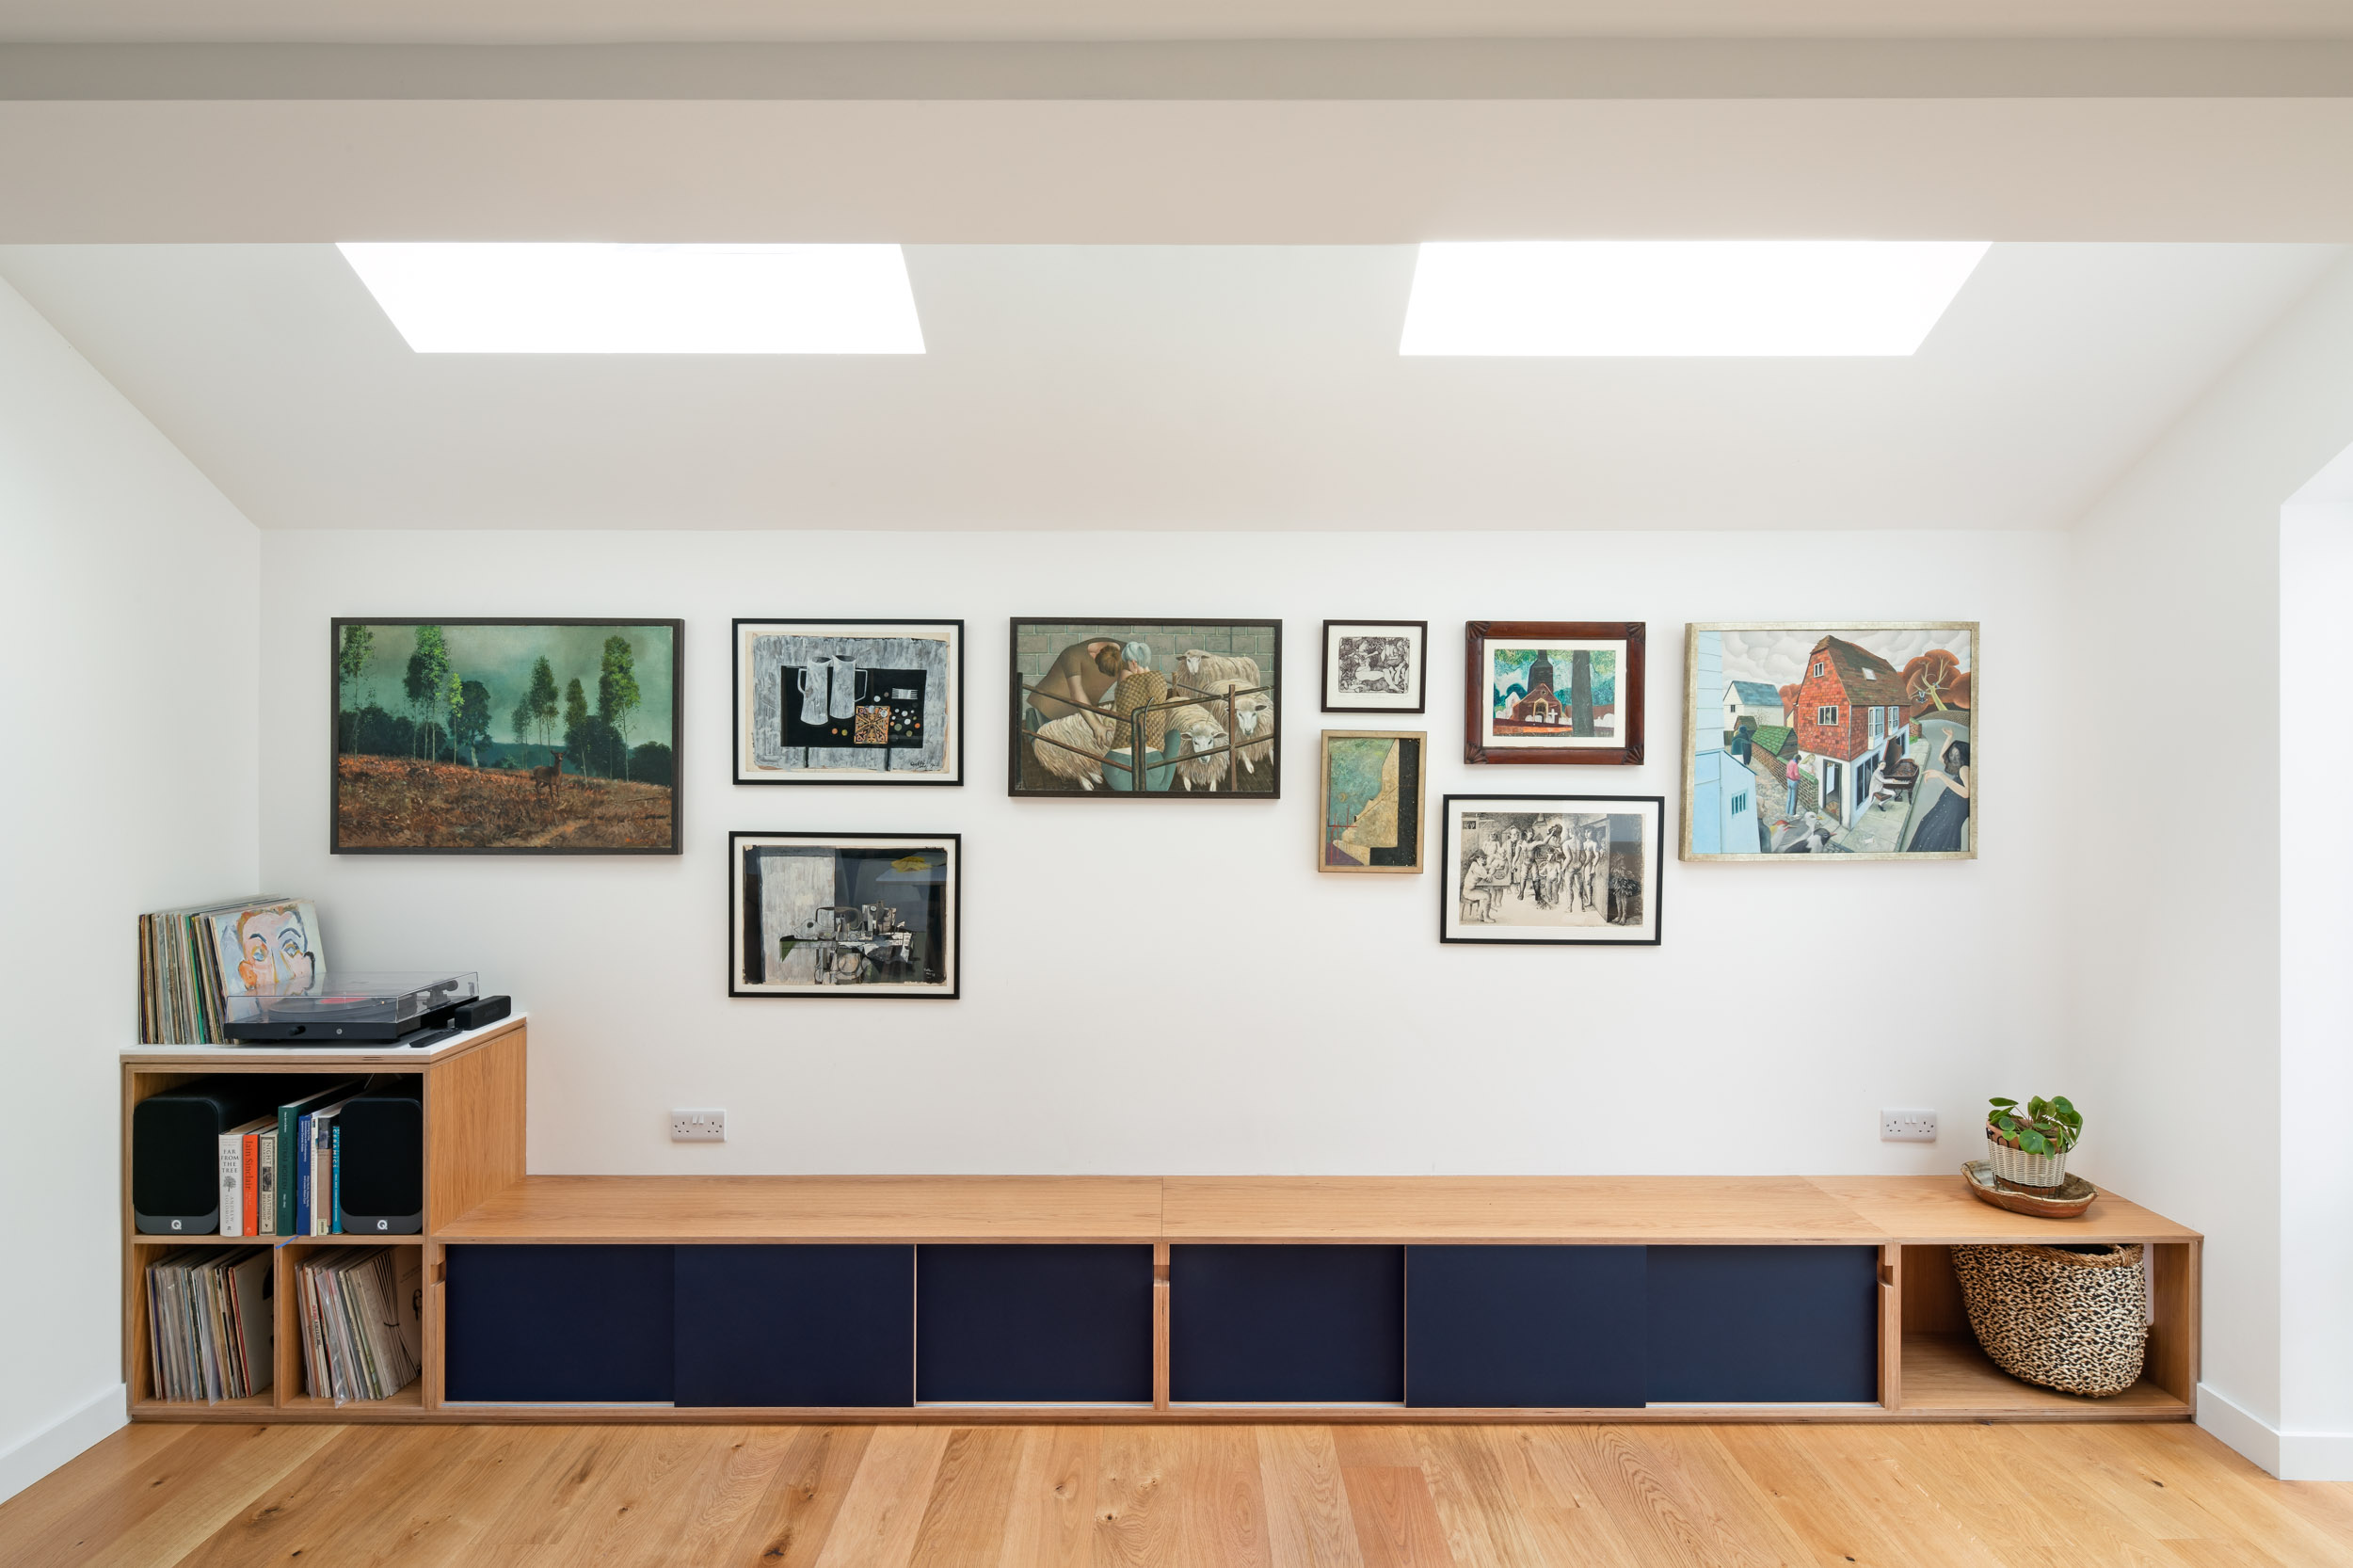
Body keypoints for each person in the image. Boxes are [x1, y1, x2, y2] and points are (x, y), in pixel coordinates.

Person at [1909, 738, 1972, 852]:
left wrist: (1940, 775)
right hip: (1948, 807)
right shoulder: (1961, 766)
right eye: (1952, 754)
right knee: (1930, 830)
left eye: (1956, 755)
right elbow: (1941, 758)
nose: (1953, 757)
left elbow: (1967, 793)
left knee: (1936, 835)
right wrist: (1949, 738)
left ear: (1963, 755)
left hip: (1953, 810)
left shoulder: (1964, 769)